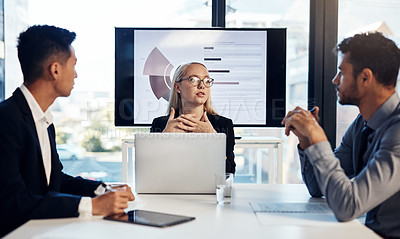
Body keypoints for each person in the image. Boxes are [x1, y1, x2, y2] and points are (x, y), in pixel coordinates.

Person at [0, 25, 135, 237]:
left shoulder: (44, 121)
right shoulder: (6, 119)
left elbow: (55, 181)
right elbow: (12, 202)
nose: (76, 74)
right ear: (55, 70)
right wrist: (93, 207)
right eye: (74, 65)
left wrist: (103, 190)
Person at [281, 32, 400, 238]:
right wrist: (307, 141)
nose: (335, 80)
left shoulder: (397, 132)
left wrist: (320, 140)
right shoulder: (362, 123)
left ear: (365, 77)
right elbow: (318, 187)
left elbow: (348, 206)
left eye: (341, 73)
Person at [150, 62, 236, 174]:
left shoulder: (224, 125)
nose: (202, 86)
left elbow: (229, 173)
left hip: (209, 190)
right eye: (193, 79)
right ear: (177, 87)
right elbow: (152, 172)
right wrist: (165, 138)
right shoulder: (160, 124)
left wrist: (214, 139)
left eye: (207, 81)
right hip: (171, 189)